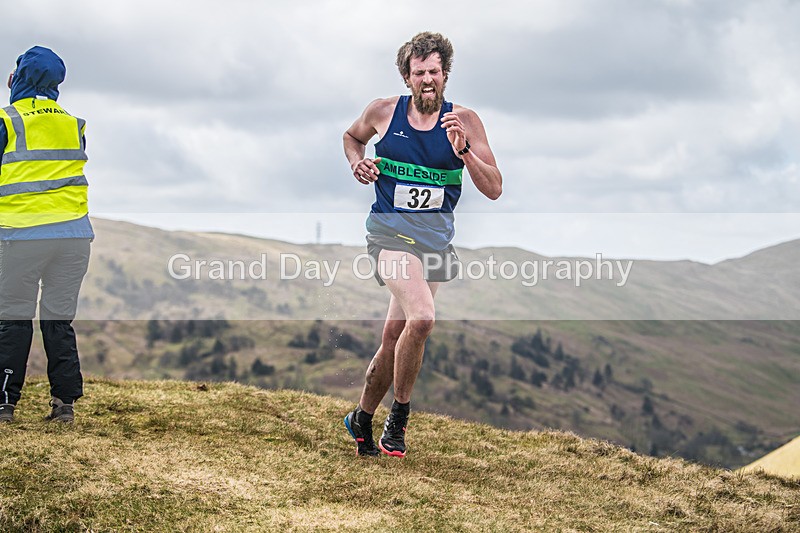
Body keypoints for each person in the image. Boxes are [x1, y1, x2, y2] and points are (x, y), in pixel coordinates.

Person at [342, 32, 502, 456]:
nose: (427, 79)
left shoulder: (464, 121)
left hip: (434, 243)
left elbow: (494, 188)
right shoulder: (383, 111)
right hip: (389, 234)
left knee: (396, 336)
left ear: (445, 75)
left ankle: (360, 417)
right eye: (419, 73)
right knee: (425, 318)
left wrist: (464, 152)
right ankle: (398, 420)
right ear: (406, 77)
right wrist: (359, 164)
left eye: (434, 72)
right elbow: (351, 137)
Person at [0, 46, 93, 423]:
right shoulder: (75, 124)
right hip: (73, 238)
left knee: (13, 317)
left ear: (18, 77)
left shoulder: (8, 120)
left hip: (22, 237)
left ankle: (4, 404)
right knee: (58, 320)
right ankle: (64, 405)